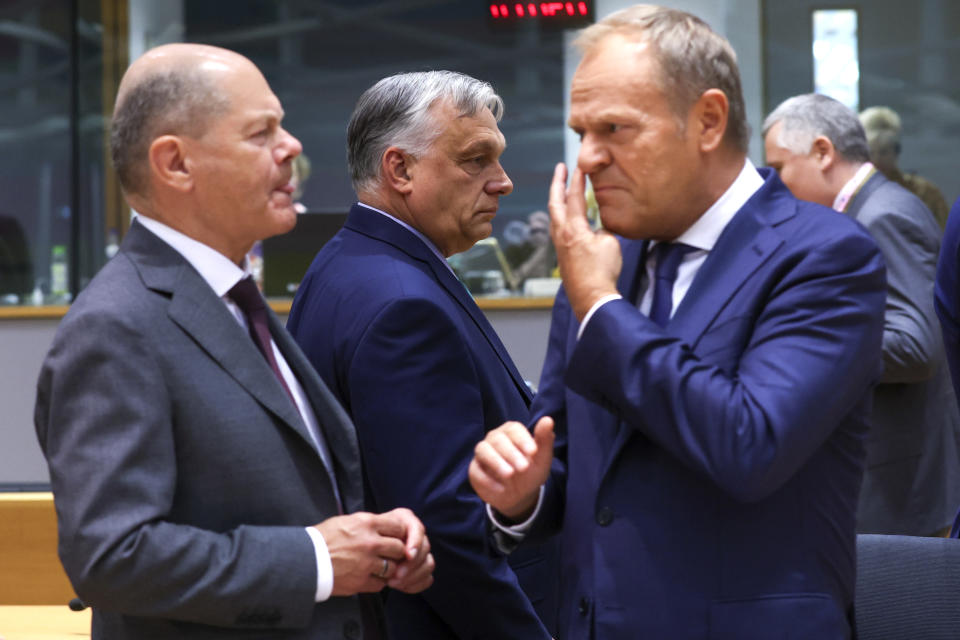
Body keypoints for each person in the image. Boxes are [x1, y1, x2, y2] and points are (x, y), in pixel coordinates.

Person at [468, 6, 887, 639]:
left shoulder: (825, 256)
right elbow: (572, 461)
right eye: (580, 131)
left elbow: (749, 443)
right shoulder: (606, 260)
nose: (588, 158)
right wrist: (522, 496)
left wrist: (602, 307)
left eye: (614, 129)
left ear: (709, 121)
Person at [34, 43, 434, 640]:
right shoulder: (115, 327)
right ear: (175, 164)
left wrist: (369, 539)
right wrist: (317, 561)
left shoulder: (235, 300)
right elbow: (111, 557)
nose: (291, 146)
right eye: (260, 132)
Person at [286, 71, 558, 639]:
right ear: (400, 169)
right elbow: (445, 530)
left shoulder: (344, 262)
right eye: (476, 159)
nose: (503, 183)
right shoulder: (403, 305)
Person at [764, 93, 960, 537]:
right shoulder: (866, 211)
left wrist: (809, 336)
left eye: (779, 168)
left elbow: (917, 348)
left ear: (822, 152)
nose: (775, 186)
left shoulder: (882, 215)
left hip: (901, 483)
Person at [859, 105, 949, 228]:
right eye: (870, 152)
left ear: (896, 152)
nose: (876, 160)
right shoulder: (851, 196)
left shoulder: (925, 193)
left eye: (883, 152)